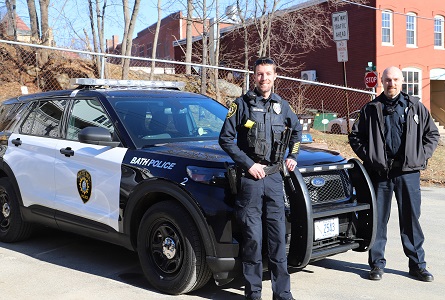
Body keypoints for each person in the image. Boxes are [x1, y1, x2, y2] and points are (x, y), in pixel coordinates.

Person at [219, 57, 302, 300]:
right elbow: (225, 139)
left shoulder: (282, 105)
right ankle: (253, 293)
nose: (264, 78)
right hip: (251, 181)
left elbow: (296, 131)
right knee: (253, 239)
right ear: (253, 76)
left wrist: (292, 156)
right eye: (259, 74)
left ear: (275, 76)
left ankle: (282, 293)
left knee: (277, 238)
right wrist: (248, 164)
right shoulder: (241, 105)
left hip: (275, 180)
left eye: (268, 73)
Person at [349, 66, 440, 282]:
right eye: (388, 80)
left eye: (396, 80)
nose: (392, 84)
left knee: (411, 220)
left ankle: (417, 265)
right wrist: (371, 157)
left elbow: (432, 134)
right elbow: (355, 137)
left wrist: (420, 156)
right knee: (378, 220)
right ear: (382, 81)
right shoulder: (371, 108)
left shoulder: (415, 106)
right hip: (380, 174)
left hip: (408, 173)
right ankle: (377, 265)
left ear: (402, 82)